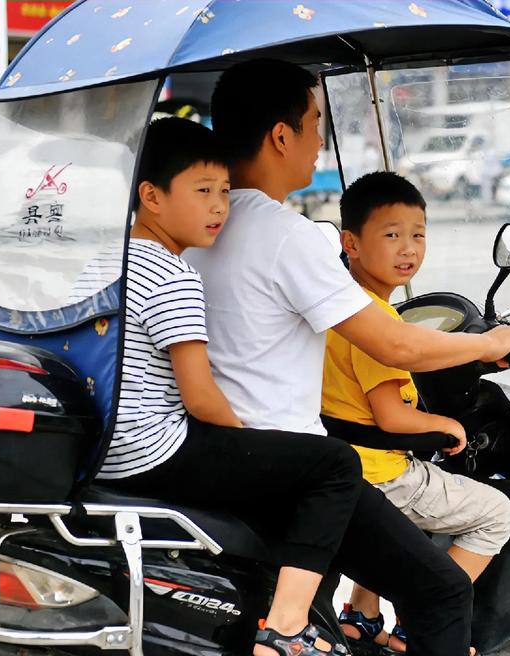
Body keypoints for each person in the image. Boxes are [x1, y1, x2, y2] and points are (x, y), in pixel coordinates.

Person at [183, 59, 510, 656]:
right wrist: (489, 343)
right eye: (315, 122)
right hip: (293, 475)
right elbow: (395, 343)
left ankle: (353, 621)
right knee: (441, 590)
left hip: (220, 455)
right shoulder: (287, 235)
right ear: (281, 136)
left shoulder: (195, 226)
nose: (320, 140)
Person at [95, 117, 364, 656]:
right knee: (333, 464)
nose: (220, 206)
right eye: (202, 192)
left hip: (105, 450)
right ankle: (287, 628)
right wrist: (251, 446)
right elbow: (200, 396)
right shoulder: (173, 275)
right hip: (155, 450)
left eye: (223, 192)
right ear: (150, 195)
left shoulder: (107, 260)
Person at [320, 172, 510, 653]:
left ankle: (362, 614)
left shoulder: (341, 306)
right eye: (391, 235)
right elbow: (392, 418)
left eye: (417, 234)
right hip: (379, 474)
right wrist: (443, 424)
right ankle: (424, 618)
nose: (407, 248)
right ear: (352, 244)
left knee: (421, 502)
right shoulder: (377, 322)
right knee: (495, 513)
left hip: (345, 463)